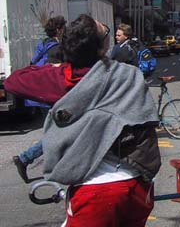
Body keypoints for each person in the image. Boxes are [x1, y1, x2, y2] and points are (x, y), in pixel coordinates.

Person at [4, 14, 161, 226]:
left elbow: (14, 81)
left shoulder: (63, 78)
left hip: (95, 189)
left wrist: (56, 67)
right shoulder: (127, 74)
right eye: (106, 32)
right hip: (136, 183)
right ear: (102, 48)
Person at [12, 15, 67, 183]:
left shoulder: (42, 45)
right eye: (63, 27)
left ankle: (51, 165)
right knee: (57, 133)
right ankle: (25, 158)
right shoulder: (56, 48)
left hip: (39, 95)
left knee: (56, 132)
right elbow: (55, 74)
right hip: (49, 96)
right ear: (59, 29)